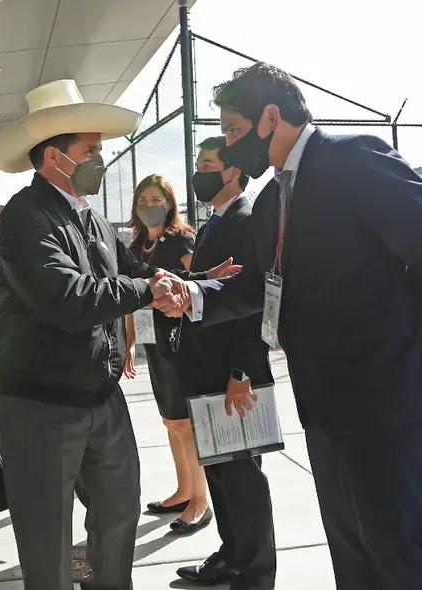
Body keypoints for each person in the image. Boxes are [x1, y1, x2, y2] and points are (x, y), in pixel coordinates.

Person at [173, 63, 422, 590]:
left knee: (396, 551)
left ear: (271, 117)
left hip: (386, 395)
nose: (228, 144)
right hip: (325, 401)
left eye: (233, 131)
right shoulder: (271, 201)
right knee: (352, 553)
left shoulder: (353, 159)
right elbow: (256, 287)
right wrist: (193, 294)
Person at [0, 79, 188, 590]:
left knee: (118, 516)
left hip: (101, 396)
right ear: (55, 156)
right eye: (91, 150)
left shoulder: (91, 218)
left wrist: (181, 283)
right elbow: (68, 299)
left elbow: (130, 273)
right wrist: (148, 288)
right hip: (41, 406)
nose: (101, 157)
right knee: (46, 539)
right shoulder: (24, 219)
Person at [173, 136, 277, 590]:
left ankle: (255, 575)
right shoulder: (219, 219)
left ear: (232, 171)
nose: (200, 172)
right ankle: (232, 555)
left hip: (234, 376)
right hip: (207, 372)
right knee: (220, 473)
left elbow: (253, 300)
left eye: (207, 164)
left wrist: (243, 373)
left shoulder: (247, 218)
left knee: (242, 481)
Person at [122, 174, 214, 533]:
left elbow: (201, 285)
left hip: (182, 341)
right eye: (142, 199)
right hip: (153, 341)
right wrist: (129, 340)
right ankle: (184, 489)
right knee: (170, 420)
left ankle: (200, 500)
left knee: (184, 422)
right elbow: (132, 296)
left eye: (155, 198)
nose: (149, 205)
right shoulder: (136, 246)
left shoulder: (182, 239)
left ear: (169, 201)